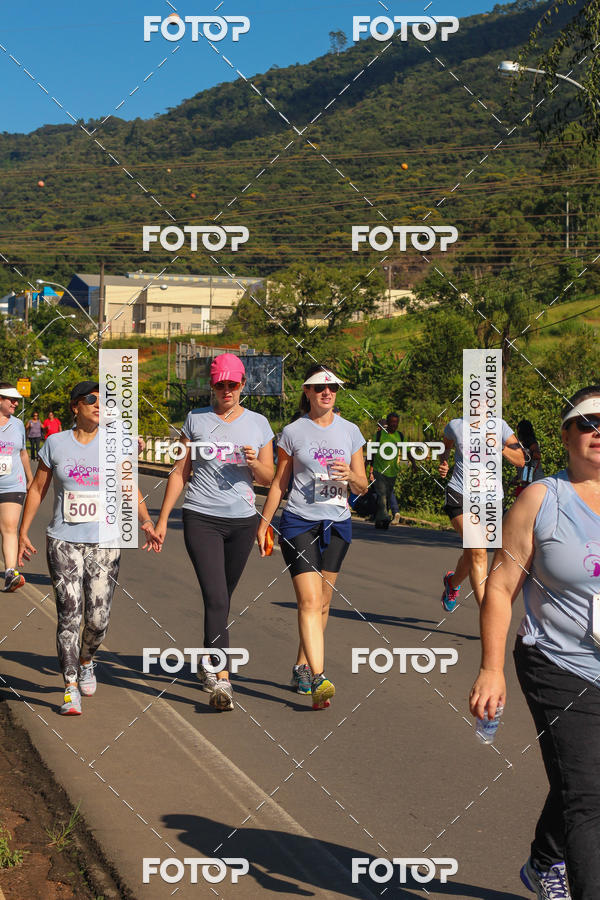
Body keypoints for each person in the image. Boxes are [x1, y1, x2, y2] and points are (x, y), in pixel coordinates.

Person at [469, 385, 600, 900]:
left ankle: (545, 858)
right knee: (590, 796)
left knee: (584, 779)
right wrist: (491, 667)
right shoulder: (542, 498)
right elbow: (501, 587)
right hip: (557, 662)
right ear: (566, 434)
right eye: (587, 424)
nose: (598, 433)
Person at [17, 381, 160, 716]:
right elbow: (38, 489)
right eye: (91, 399)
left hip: (105, 541)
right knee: (69, 613)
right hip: (63, 541)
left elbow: (128, 485)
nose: (99, 404)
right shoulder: (55, 443)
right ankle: (69, 688)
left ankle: (86, 661)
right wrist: (23, 531)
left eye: (104, 400)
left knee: (97, 619)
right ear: (75, 407)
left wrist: (146, 520)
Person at [154, 354, 274, 712]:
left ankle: (208, 659)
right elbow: (179, 472)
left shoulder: (259, 424)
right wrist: (162, 521)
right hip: (201, 516)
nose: (226, 391)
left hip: (242, 520)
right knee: (217, 597)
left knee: (222, 598)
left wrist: (254, 464)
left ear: (242, 386)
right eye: (220, 384)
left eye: (232, 385)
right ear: (212, 385)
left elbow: (270, 477)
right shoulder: (195, 420)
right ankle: (223, 679)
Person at [257, 364, 368, 709]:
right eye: (320, 387)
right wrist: (265, 523)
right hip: (300, 522)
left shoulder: (351, 431)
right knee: (307, 601)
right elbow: (278, 482)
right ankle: (319, 677)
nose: (327, 392)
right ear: (307, 391)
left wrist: (351, 474)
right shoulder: (292, 432)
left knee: (322, 602)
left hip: (337, 524)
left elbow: (363, 485)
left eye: (332, 387)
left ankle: (302, 666)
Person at [438, 416, 525, 611]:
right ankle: (489, 614)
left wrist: (498, 446)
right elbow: (445, 447)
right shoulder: (456, 425)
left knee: (473, 553)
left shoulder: (500, 426)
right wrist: (443, 462)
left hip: (491, 500)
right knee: (478, 551)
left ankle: (452, 583)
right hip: (459, 494)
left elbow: (520, 460)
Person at [0, 383, 33, 592]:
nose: (15, 403)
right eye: (11, 399)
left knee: (9, 527)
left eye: (17, 400)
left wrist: (30, 478)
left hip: (13, 483)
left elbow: (22, 453)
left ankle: (10, 573)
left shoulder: (19, 424)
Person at [368, 412, 403, 528]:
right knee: (382, 495)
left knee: (386, 496)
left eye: (396, 422)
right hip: (379, 470)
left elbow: (407, 450)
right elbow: (371, 453)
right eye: (392, 422)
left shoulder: (400, 436)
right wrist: (368, 469)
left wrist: (413, 463)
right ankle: (385, 517)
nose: (394, 424)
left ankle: (379, 520)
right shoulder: (379, 436)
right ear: (387, 423)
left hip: (392, 472)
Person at [512, 419, 545, 498]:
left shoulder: (531, 442)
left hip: (536, 482)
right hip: (530, 482)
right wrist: (517, 478)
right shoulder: (523, 444)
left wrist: (526, 452)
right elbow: (526, 466)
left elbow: (537, 455)